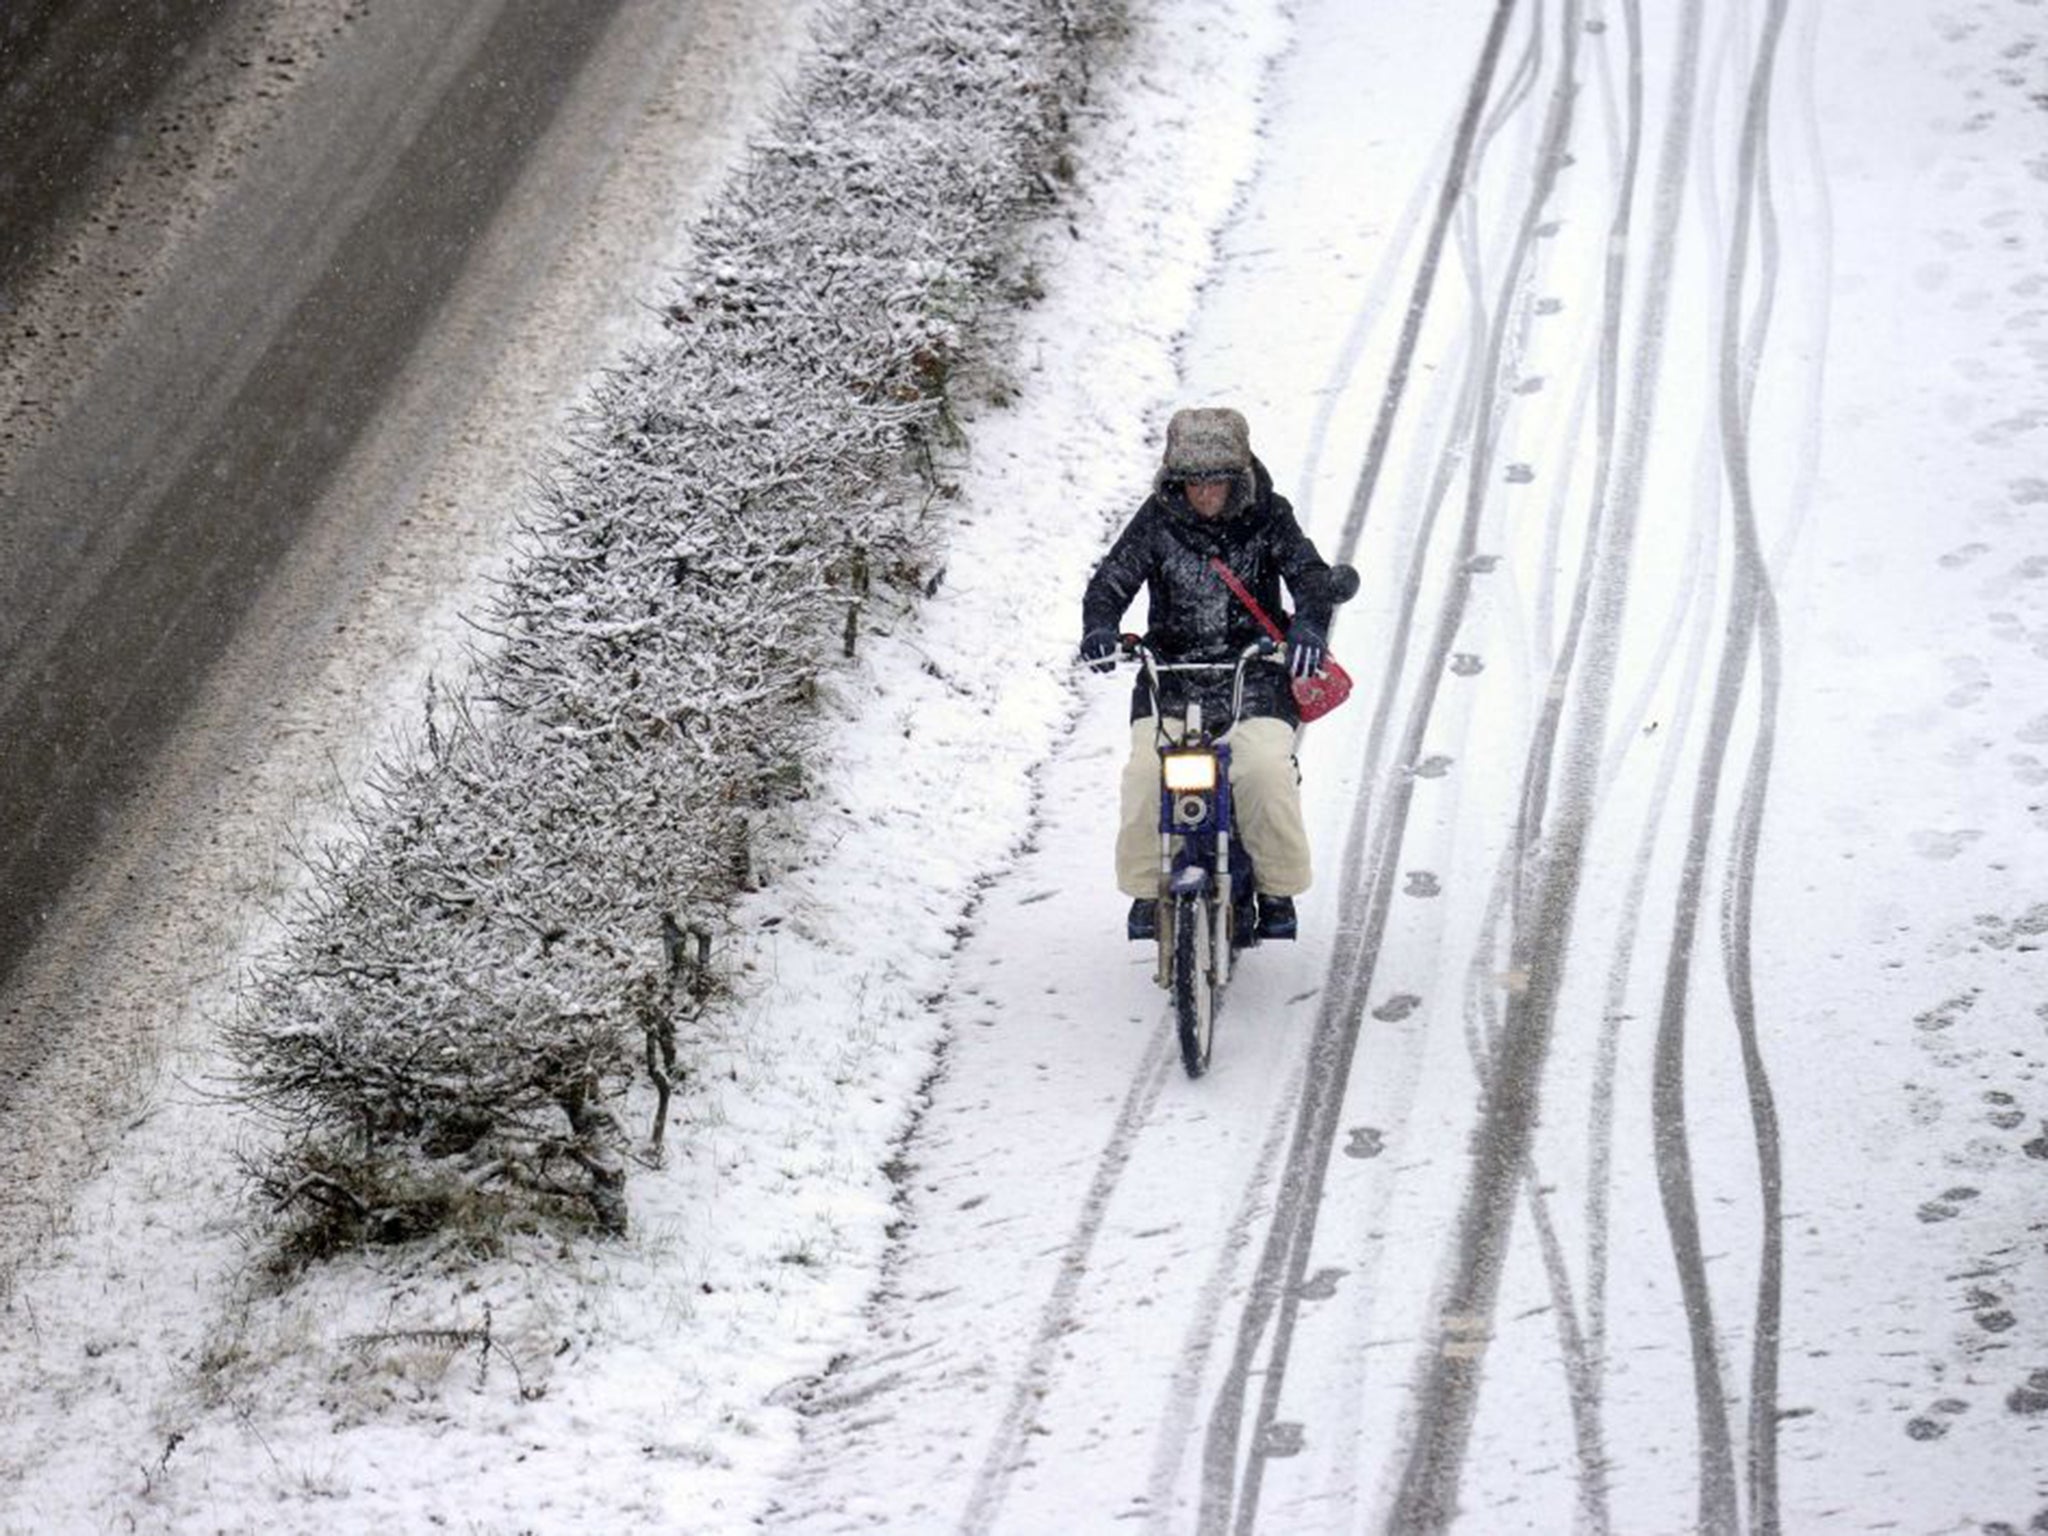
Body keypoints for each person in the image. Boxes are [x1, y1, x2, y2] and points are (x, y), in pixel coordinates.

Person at [1079, 407, 1338, 941]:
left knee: (1265, 771)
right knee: (1145, 777)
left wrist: (1308, 629)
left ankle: (1276, 887)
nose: (1203, 495)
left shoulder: (1270, 516)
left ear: (1235, 481)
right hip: (1169, 677)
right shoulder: (1156, 521)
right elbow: (1111, 581)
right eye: (1191, 484)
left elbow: (1310, 578)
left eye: (1215, 483)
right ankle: (1148, 890)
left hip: (1255, 674)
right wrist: (1099, 628)